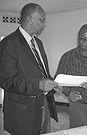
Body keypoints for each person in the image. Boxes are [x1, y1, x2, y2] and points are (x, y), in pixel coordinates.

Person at [0, 3, 60, 135]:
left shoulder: (38, 43)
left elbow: (42, 72)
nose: (44, 24)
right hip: (22, 112)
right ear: (30, 18)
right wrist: (38, 85)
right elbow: (6, 80)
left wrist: (53, 83)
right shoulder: (9, 43)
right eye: (42, 20)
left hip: (43, 105)